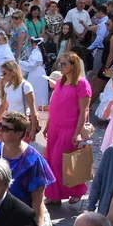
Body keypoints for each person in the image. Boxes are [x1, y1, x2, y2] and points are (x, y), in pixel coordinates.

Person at [0, 110, 55, 226]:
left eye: (5, 128)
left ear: (19, 134)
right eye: (0, 125)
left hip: (18, 218)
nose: (0, 129)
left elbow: (37, 200)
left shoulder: (33, 160)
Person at [44, 51, 93, 205]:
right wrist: (47, 125)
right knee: (50, 161)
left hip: (70, 127)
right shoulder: (59, 82)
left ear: (73, 66)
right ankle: (55, 195)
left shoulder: (82, 83)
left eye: (64, 64)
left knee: (62, 162)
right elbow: (54, 106)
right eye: (60, 63)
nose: (61, 66)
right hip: (54, 126)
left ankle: (77, 190)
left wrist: (78, 133)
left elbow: (84, 110)